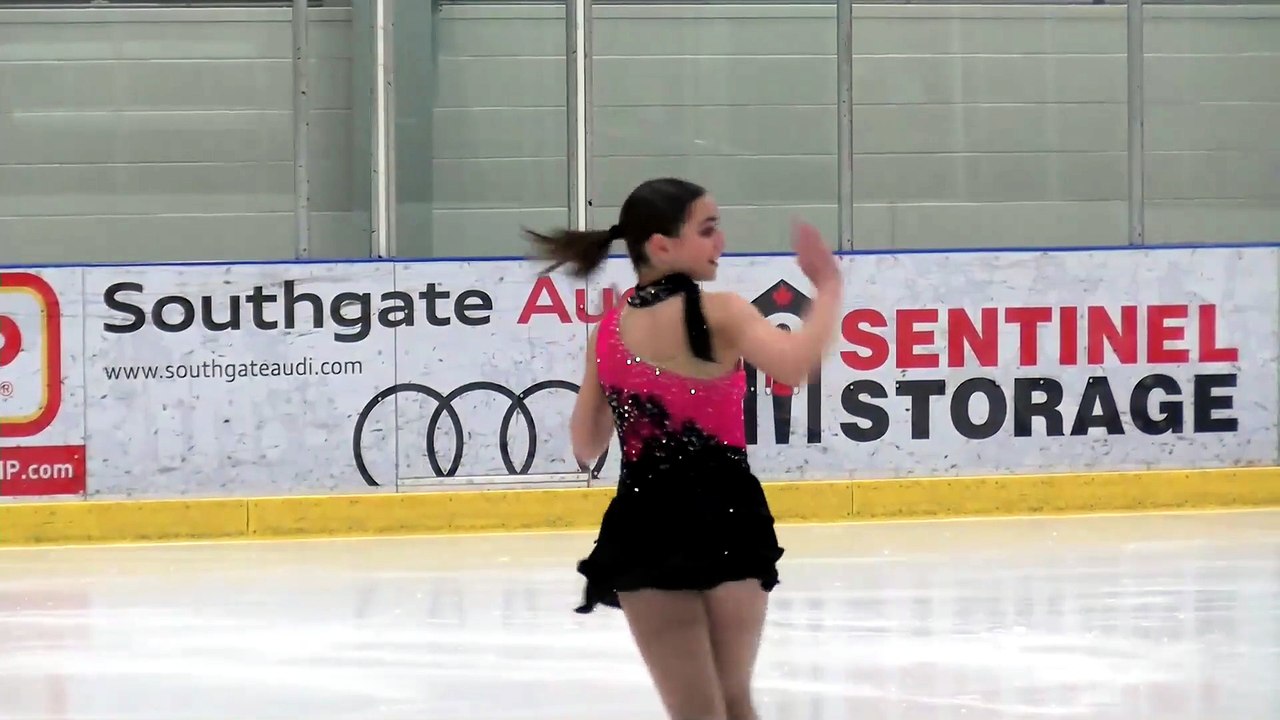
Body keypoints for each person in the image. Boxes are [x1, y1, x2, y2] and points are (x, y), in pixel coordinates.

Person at [524, 177, 843, 720]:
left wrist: (632, 398)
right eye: (708, 229)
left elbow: (586, 445)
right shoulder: (723, 312)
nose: (721, 241)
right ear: (662, 245)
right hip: (729, 519)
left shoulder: (608, 332)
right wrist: (829, 286)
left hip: (645, 526)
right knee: (735, 703)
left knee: (695, 713)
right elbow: (793, 366)